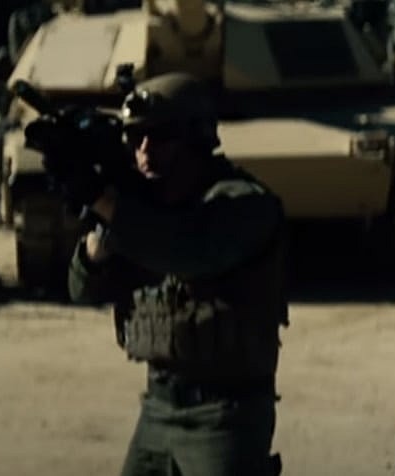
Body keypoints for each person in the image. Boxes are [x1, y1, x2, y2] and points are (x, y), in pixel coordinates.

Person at [56, 73, 287, 476]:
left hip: (224, 414)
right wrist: (97, 245)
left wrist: (110, 206)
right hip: (158, 407)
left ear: (196, 138)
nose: (144, 151)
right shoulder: (143, 208)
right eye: (135, 138)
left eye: (159, 137)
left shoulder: (243, 204)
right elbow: (81, 289)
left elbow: (189, 251)